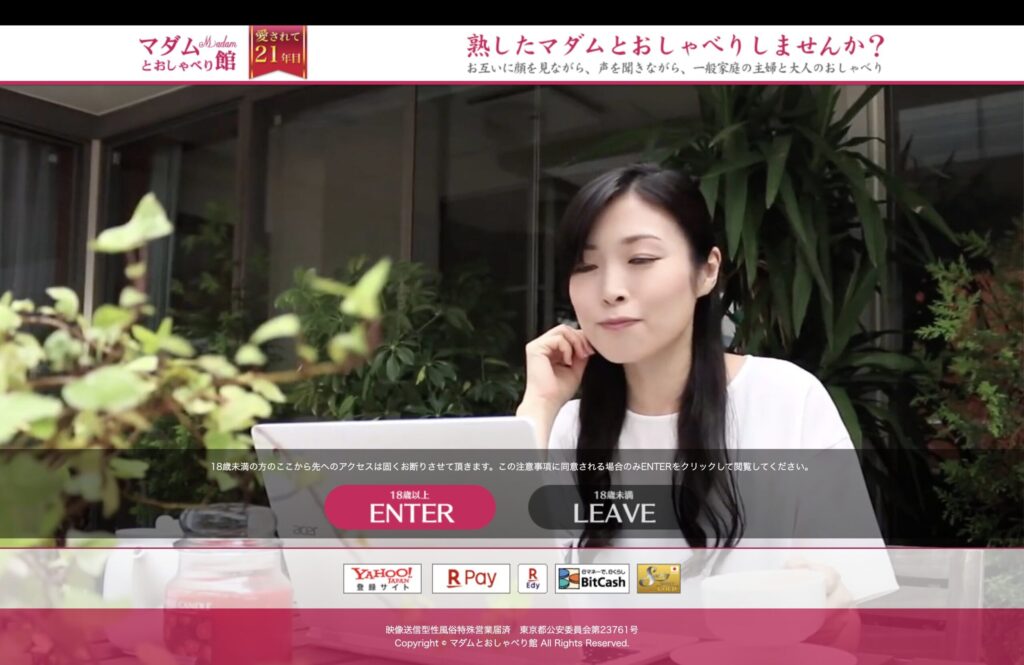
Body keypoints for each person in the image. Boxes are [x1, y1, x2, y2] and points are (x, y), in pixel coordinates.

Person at [515, 163, 898, 650]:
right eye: (586, 266)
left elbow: (847, 626)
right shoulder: (565, 429)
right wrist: (538, 407)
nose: (610, 290)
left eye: (641, 258)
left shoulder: (785, 399)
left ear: (707, 271)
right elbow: (504, 599)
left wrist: (827, 608)